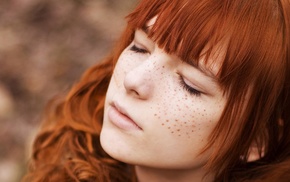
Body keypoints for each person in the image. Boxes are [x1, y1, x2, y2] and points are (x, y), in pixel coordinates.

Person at [23, 0, 290, 181]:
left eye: (190, 84)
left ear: (256, 139)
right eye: (140, 47)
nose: (134, 80)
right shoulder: (67, 156)